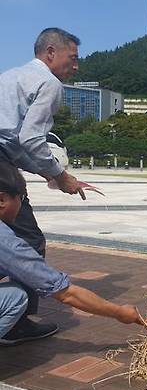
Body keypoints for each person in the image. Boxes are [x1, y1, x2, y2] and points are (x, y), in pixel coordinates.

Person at [0, 28, 89, 342]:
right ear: (51, 52)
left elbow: (13, 142)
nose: (76, 66)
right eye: (73, 58)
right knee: (28, 239)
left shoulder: (10, 76)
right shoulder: (49, 83)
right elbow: (31, 139)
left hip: (5, 160)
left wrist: (48, 174)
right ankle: (17, 323)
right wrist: (61, 175)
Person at [0, 163, 144, 345]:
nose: (22, 204)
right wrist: (120, 312)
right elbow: (65, 293)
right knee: (16, 297)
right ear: (2, 199)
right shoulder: (6, 242)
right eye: (21, 198)